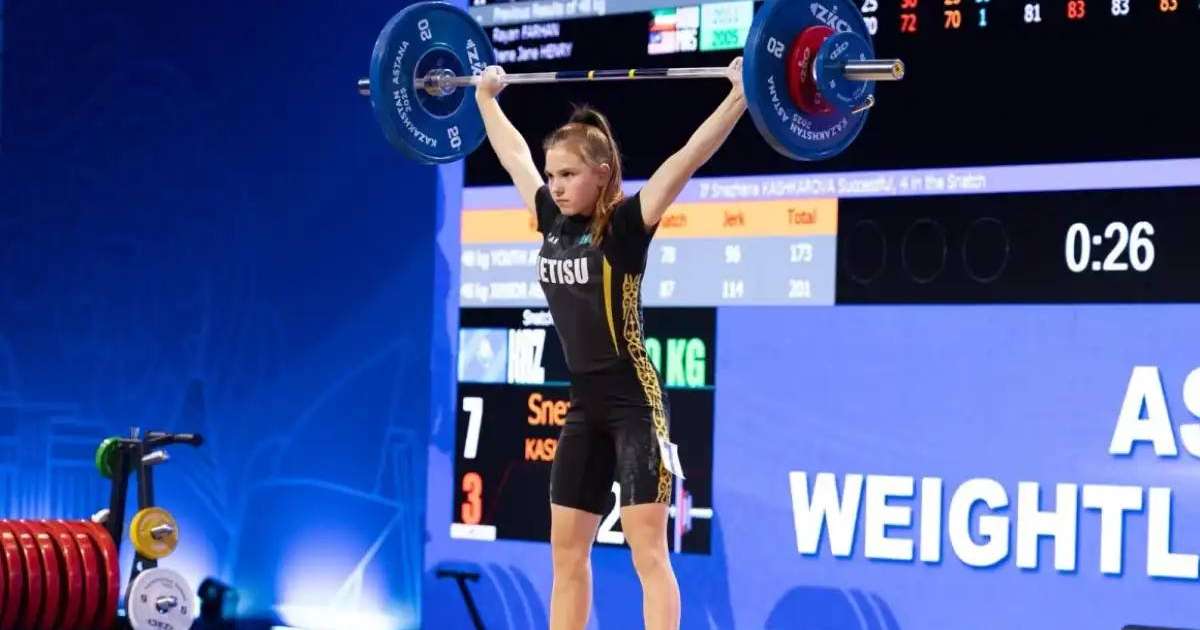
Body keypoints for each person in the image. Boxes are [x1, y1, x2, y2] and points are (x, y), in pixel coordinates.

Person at [474, 57, 746, 630]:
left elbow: (687, 157)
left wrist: (741, 96)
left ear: (602, 172)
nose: (555, 185)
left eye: (568, 175)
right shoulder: (550, 218)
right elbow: (513, 155)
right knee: (566, 553)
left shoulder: (625, 226)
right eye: (552, 176)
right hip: (584, 405)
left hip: (633, 402)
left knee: (649, 552)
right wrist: (485, 100)